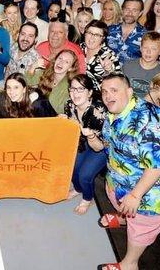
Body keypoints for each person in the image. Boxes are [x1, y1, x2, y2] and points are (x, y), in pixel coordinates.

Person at [97, 73, 160, 270]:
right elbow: (111, 144)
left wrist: (135, 194)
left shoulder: (151, 120)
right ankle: (124, 218)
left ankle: (129, 263)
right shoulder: (114, 111)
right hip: (126, 179)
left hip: (156, 189)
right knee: (126, 207)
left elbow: (157, 165)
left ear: (129, 91)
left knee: (141, 227)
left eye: (114, 90)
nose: (107, 96)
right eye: (104, 92)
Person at [63, 74, 107, 215]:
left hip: (101, 146)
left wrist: (91, 135)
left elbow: (98, 147)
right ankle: (78, 188)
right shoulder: (69, 105)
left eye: (80, 89)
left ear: (89, 92)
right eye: (72, 89)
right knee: (72, 168)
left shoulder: (98, 111)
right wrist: (66, 122)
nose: (75, 93)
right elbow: (73, 131)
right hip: (83, 142)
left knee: (85, 175)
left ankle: (88, 198)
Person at [27, 49, 80, 115]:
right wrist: (33, 67)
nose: (61, 62)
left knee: (37, 101)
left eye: (66, 62)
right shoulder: (45, 73)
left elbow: (58, 109)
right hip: (36, 114)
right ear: (55, 60)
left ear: (70, 68)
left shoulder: (69, 86)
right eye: (60, 58)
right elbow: (26, 82)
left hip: (54, 119)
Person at [122, 32, 160, 99]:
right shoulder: (127, 66)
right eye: (145, 47)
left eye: (153, 49)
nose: (148, 52)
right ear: (140, 48)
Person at [82, 20, 121, 91]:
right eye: (90, 33)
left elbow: (118, 82)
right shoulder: (79, 48)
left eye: (97, 35)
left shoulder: (109, 56)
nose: (92, 37)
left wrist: (109, 71)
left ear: (103, 38)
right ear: (85, 33)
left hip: (98, 97)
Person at [106, 0, 146, 65]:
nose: (130, 13)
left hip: (132, 75)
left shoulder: (146, 35)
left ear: (140, 13)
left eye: (134, 10)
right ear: (122, 10)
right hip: (108, 74)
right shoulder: (108, 30)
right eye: (127, 9)